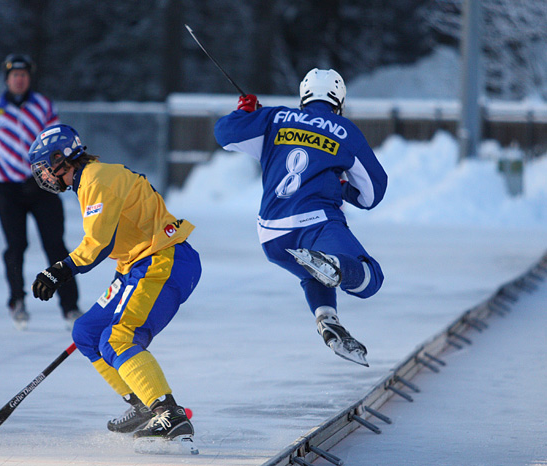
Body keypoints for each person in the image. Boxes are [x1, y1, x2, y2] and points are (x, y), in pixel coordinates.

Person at [27, 124, 201, 446]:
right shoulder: (90, 181)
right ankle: (142, 405)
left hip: (164, 260)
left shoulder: (95, 179)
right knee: (87, 333)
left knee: (119, 338)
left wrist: (58, 271)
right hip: (138, 266)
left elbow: (98, 244)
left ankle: (168, 414)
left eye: (43, 167)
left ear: (60, 159)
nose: (43, 175)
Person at [214, 68, 387, 367]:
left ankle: (327, 319)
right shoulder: (344, 130)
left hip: (271, 234)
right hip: (316, 222)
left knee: (312, 270)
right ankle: (336, 265)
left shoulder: (274, 118)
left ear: (303, 96)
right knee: (369, 277)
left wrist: (246, 112)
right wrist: (344, 190)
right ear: (340, 100)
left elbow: (225, 134)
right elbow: (373, 193)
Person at [0, 54, 81, 331]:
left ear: (29, 78)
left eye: (24, 75)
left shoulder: (43, 106)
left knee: (55, 245)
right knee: (16, 247)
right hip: (7, 188)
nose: (19, 80)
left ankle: (70, 306)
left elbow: (58, 143)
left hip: (42, 185)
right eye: (14, 75)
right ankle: (17, 301)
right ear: (7, 79)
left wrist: (62, 176)